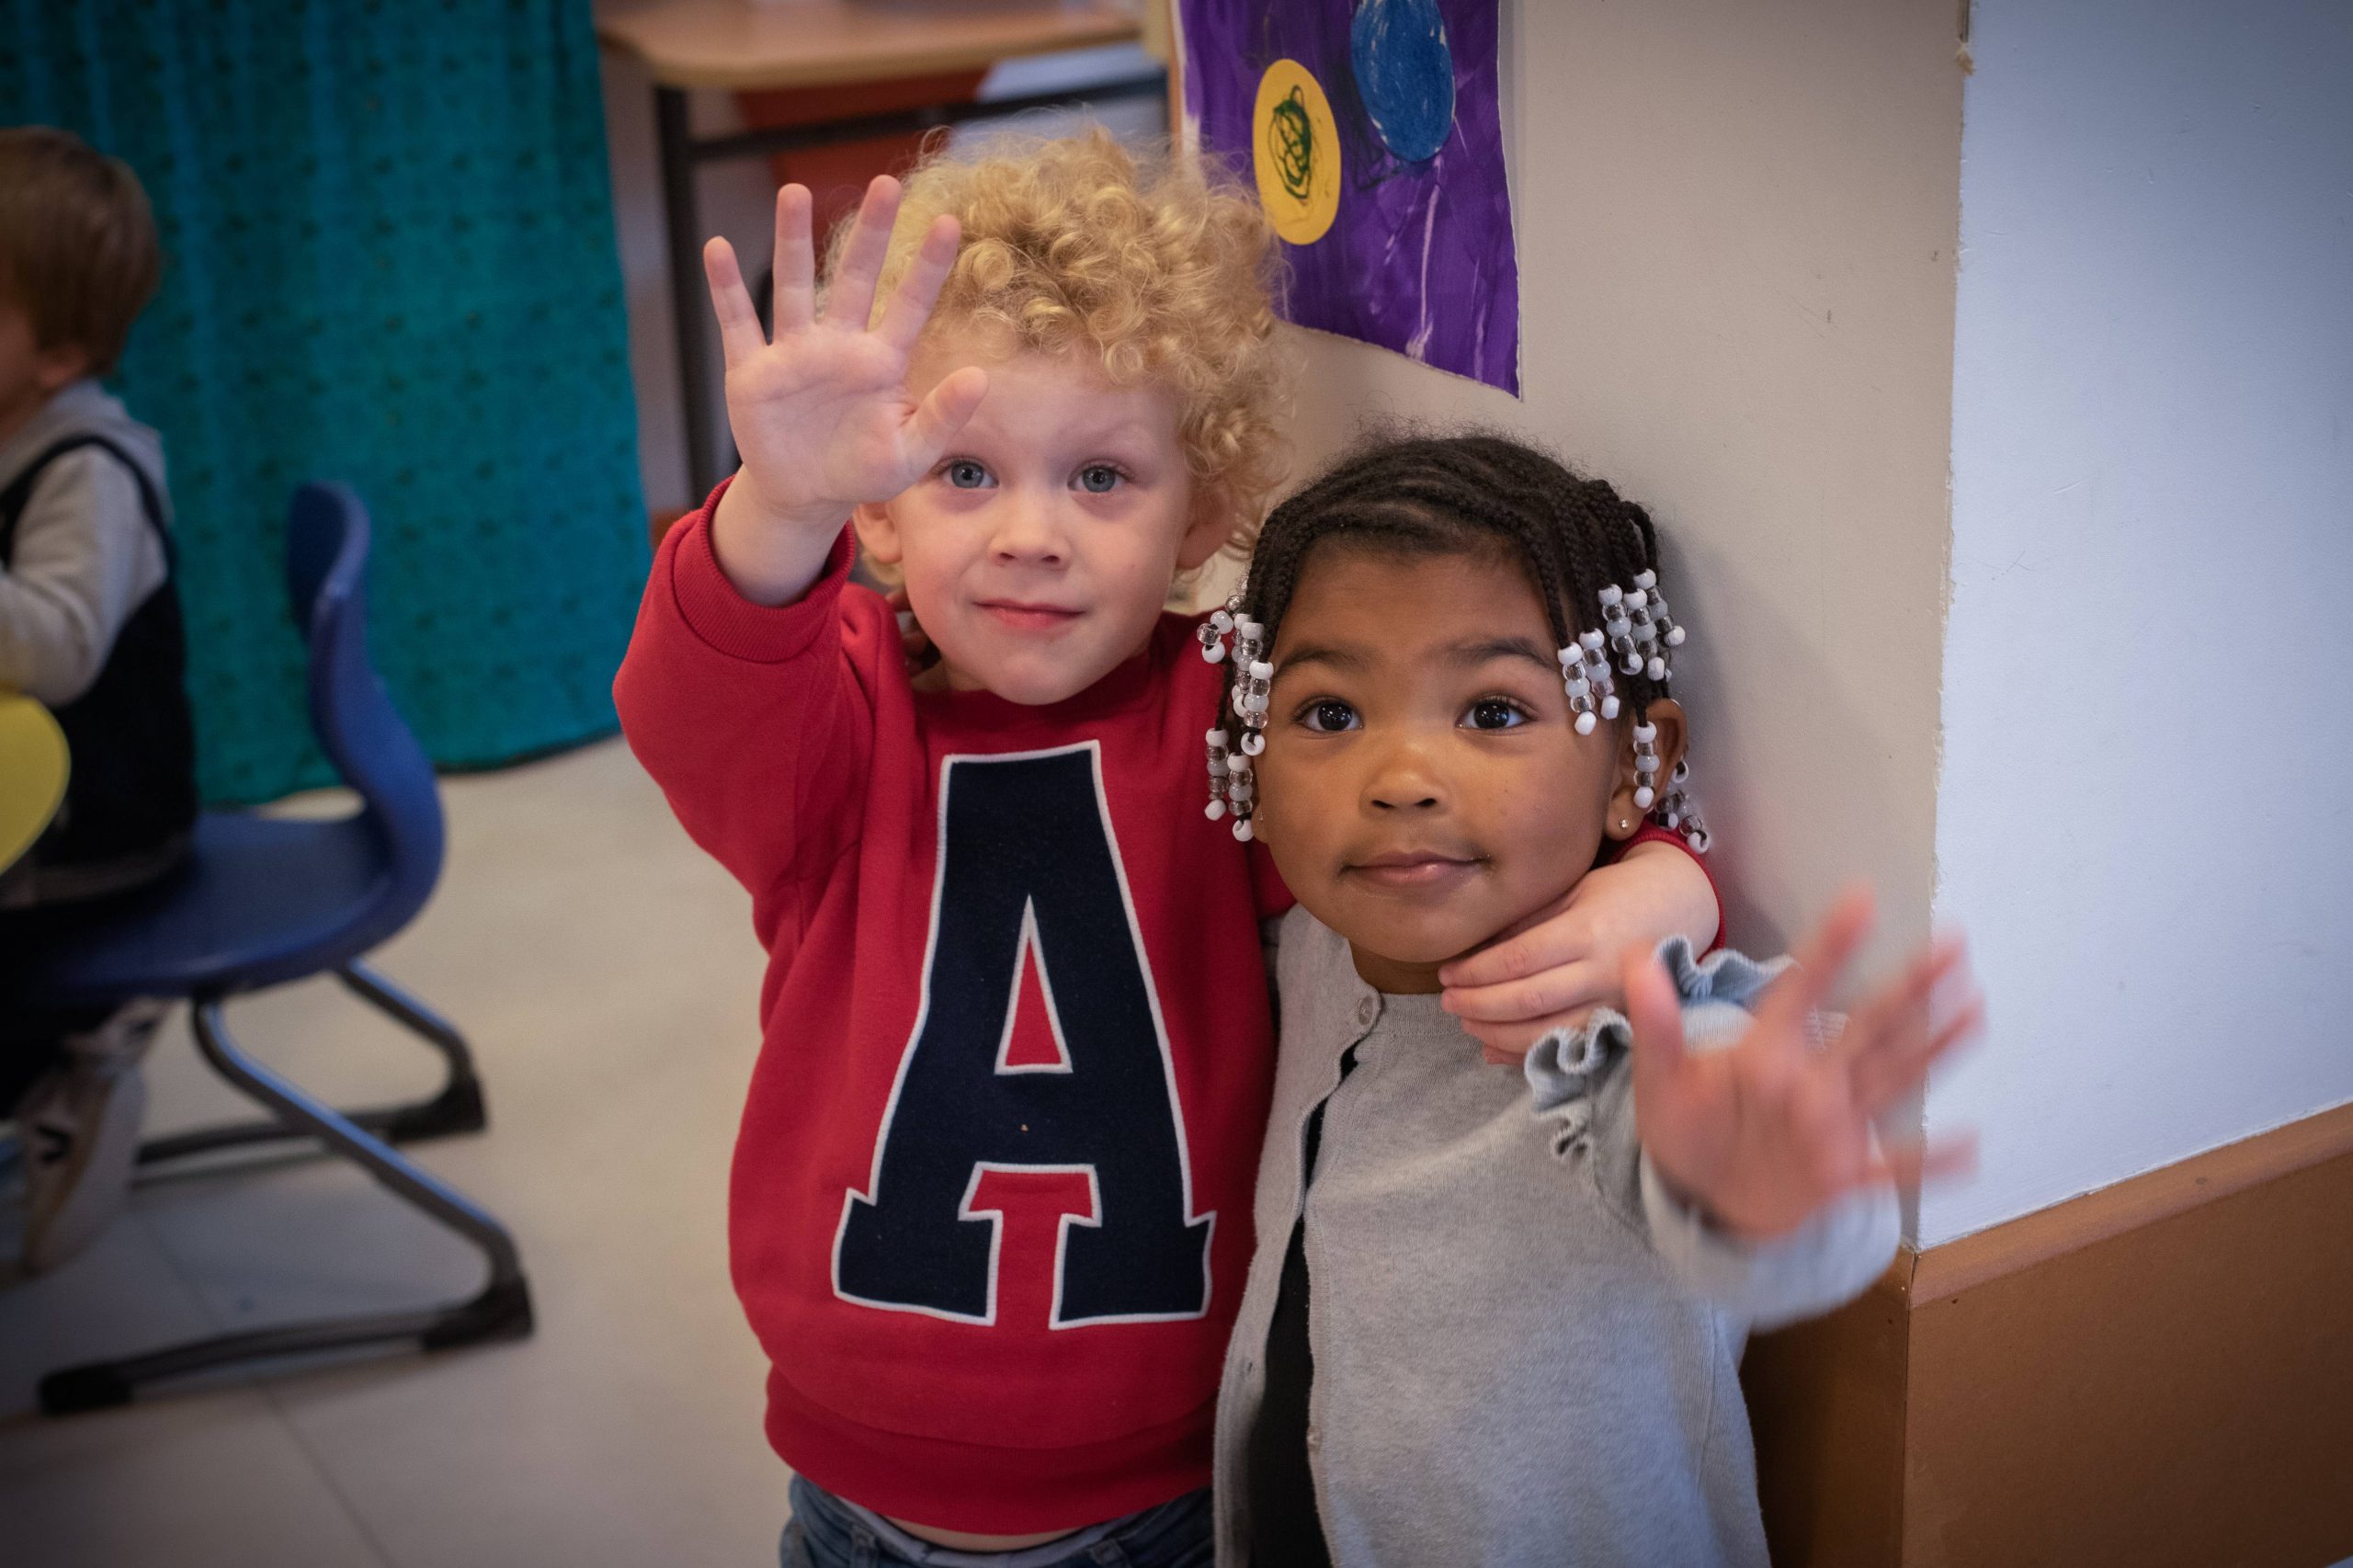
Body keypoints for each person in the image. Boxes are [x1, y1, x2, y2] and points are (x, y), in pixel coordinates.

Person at [614, 132, 1722, 1568]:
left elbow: (1452, 828)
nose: (1031, 536)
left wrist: (1668, 872)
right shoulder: (834, 720)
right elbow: (692, 702)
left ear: (1198, 510)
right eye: (962, 472)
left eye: (1100, 478)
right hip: (854, 1487)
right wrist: (780, 503)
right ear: (875, 509)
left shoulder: (1246, 714)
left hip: (1168, 1486)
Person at [1207, 433, 1983, 1566]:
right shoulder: (1313, 946)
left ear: (1635, 766)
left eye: (1492, 711)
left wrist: (1755, 1162)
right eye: (1330, 715)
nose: (1401, 776)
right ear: (1251, 762)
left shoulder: (1636, 1031)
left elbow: (1746, 1166)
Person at [0, 126, 193, 1274]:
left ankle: (71, 1055)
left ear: (60, 355)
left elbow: (59, 645)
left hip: (99, 832)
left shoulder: (87, 468)